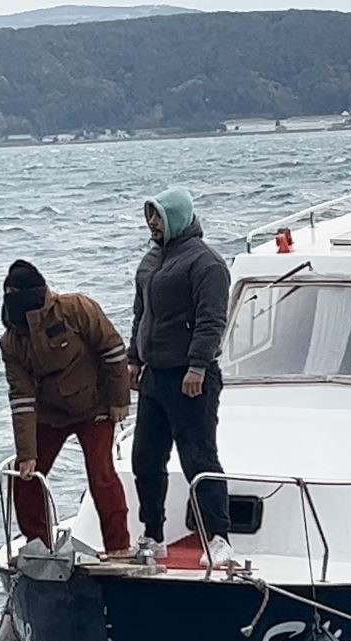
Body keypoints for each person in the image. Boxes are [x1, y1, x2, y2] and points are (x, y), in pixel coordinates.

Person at [128, 187, 233, 568]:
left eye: (157, 216)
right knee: (145, 459)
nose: (151, 224)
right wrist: (133, 359)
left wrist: (197, 366)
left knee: (199, 458)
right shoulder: (151, 261)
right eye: (149, 216)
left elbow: (212, 320)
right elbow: (140, 315)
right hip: (154, 375)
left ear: (177, 217)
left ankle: (219, 537)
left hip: (192, 378)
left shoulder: (207, 264)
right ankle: (153, 534)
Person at [1, 260, 133, 557]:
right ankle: (38, 545)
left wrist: (119, 400)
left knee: (101, 474)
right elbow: (21, 398)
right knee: (25, 477)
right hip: (50, 414)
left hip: (95, 407)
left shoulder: (76, 308)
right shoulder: (11, 341)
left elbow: (112, 350)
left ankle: (119, 547)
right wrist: (27, 455)